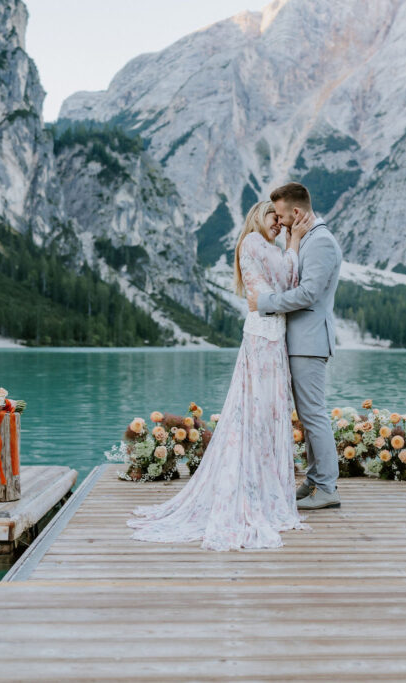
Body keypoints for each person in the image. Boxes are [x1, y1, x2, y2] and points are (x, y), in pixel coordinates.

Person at [127, 200, 314, 550]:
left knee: (267, 410)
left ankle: (263, 484)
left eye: (281, 219)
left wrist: (289, 244)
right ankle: (254, 488)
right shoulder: (254, 242)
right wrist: (295, 241)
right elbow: (288, 276)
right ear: (259, 217)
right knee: (261, 409)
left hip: (269, 335)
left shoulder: (259, 245)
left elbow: (282, 286)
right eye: (273, 217)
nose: (279, 223)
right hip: (264, 335)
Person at [247, 182, 343, 510]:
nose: (281, 223)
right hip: (299, 340)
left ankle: (327, 487)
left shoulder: (321, 242)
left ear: (297, 212)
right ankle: (315, 482)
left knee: (314, 415)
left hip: (309, 342)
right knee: (307, 414)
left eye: (283, 217)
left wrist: (264, 302)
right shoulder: (308, 238)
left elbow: (308, 294)